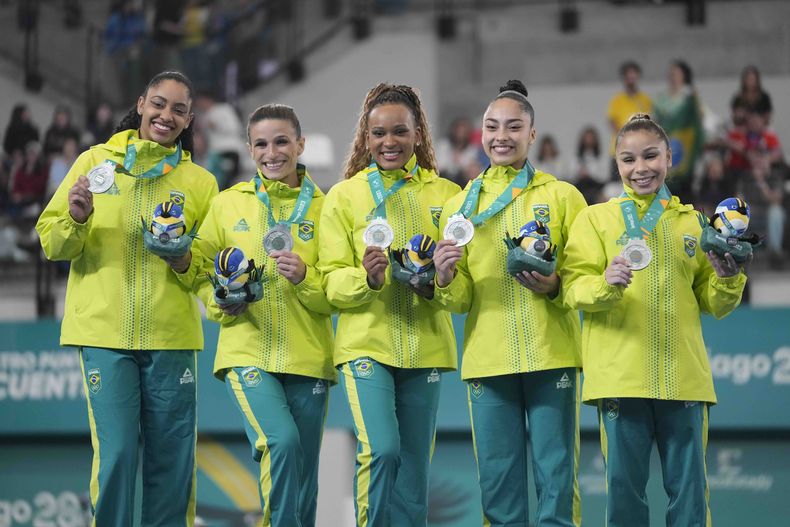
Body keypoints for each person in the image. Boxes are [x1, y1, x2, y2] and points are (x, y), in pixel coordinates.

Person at [35, 71, 219, 526]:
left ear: (189, 119)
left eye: (178, 109)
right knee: (117, 455)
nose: (166, 115)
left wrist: (181, 260)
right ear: (140, 104)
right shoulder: (95, 163)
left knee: (173, 463)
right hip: (104, 334)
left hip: (172, 337)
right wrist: (76, 219)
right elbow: (53, 243)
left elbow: (208, 271)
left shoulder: (200, 183)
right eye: (159, 104)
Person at [561, 114, 747, 527]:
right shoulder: (595, 220)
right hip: (619, 380)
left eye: (650, 156)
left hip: (683, 379)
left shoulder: (692, 223)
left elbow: (714, 303)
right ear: (616, 163)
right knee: (625, 495)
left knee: (690, 497)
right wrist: (605, 282)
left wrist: (729, 278)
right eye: (628, 159)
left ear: (668, 158)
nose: (639, 168)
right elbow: (573, 290)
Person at [167, 104, 335, 526]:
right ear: (248, 149)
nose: (271, 152)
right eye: (261, 143)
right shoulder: (227, 205)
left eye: (281, 141)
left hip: (310, 355)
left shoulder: (328, 208)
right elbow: (199, 272)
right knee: (281, 443)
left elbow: (335, 291)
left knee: (304, 474)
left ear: (300, 144)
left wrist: (306, 277)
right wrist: (220, 300)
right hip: (247, 349)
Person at [433, 79, 586, 527]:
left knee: (557, 480)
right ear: (480, 132)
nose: (501, 136)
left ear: (532, 135)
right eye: (492, 126)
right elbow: (460, 299)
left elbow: (581, 277)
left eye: (513, 127)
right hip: (488, 359)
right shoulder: (460, 205)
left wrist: (556, 285)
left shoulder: (562, 197)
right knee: (498, 487)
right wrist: (444, 276)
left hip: (551, 354)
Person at [318, 83, 460, 527]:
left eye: (400, 131)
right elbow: (330, 284)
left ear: (418, 134)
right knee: (382, 450)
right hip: (366, 345)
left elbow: (462, 286)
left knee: (414, 469)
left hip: (427, 347)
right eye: (378, 133)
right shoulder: (343, 196)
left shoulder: (449, 196)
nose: (389, 142)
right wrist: (369, 278)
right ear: (365, 138)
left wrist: (441, 279)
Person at [653, 60, 705, 204]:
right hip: (667, 144)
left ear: (684, 76)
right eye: (670, 73)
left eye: (676, 73)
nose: (672, 76)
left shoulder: (689, 97)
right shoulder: (661, 99)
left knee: (685, 186)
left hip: (685, 148)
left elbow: (697, 121)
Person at [607, 61, 652, 176]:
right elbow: (613, 123)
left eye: (633, 74)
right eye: (628, 75)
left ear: (638, 76)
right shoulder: (617, 100)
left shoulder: (645, 100)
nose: (631, 77)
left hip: (640, 150)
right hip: (619, 150)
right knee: (616, 188)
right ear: (624, 78)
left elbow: (650, 124)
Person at [435, 117, 482, 187]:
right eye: (458, 131)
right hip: (443, 178)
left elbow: (471, 169)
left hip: (463, 182)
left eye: (464, 132)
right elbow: (439, 166)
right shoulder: (443, 145)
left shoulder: (472, 148)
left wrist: (460, 162)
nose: (460, 135)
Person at [569, 125, 607, 204]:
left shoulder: (601, 157)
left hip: (595, 186)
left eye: (591, 138)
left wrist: (590, 174)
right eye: (586, 138)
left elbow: (604, 176)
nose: (588, 141)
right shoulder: (576, 157)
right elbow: (570, 174)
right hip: (580, 185)